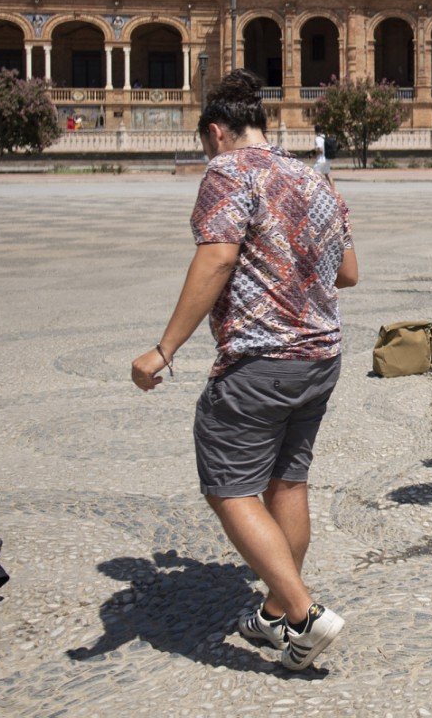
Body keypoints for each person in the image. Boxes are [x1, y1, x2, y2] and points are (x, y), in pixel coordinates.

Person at [129, 69, 357, 671]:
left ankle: (304, 614)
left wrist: (165, 349)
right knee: (287, 481)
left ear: (216, 132)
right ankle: (278, 611)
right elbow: (349, 271)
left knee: (229, 488)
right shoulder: (315, 176)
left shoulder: (227, 172)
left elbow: (219, 255)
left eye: (208, 141)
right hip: (321, 356)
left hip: (260, 360)